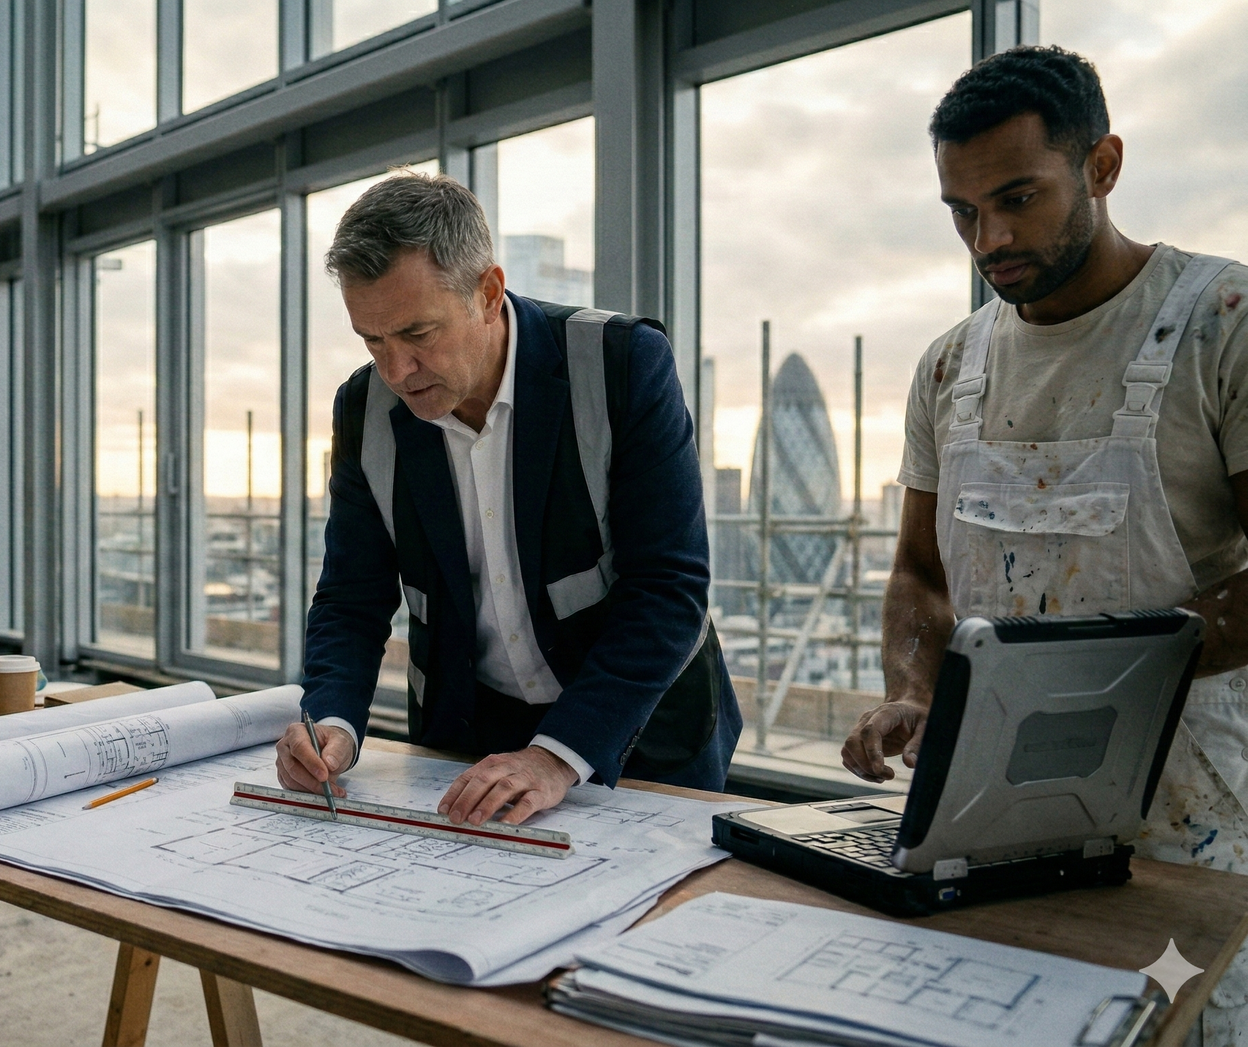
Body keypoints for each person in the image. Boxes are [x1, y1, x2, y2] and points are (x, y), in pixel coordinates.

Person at [839, 47, 1248, 1041]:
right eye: (963, 210)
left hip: (1190, 824)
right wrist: (916, 689)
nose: (992, 236)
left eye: (1019, 196)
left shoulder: (1220, 324)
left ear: (1102, 164)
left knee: (1178, 1029)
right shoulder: (951, 366)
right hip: (995, 821)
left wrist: (1085, 682)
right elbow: (920, 574)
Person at [277, 172, 741, 828]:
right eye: (372, 340)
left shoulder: (622, 366)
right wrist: (331, 722)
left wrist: (555, 757)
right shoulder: (365, 409)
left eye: (418, 333)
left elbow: (668, 588)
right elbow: (352, 598)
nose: (396, 371)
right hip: (468, 746)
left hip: (638, 736)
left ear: (489, 293)